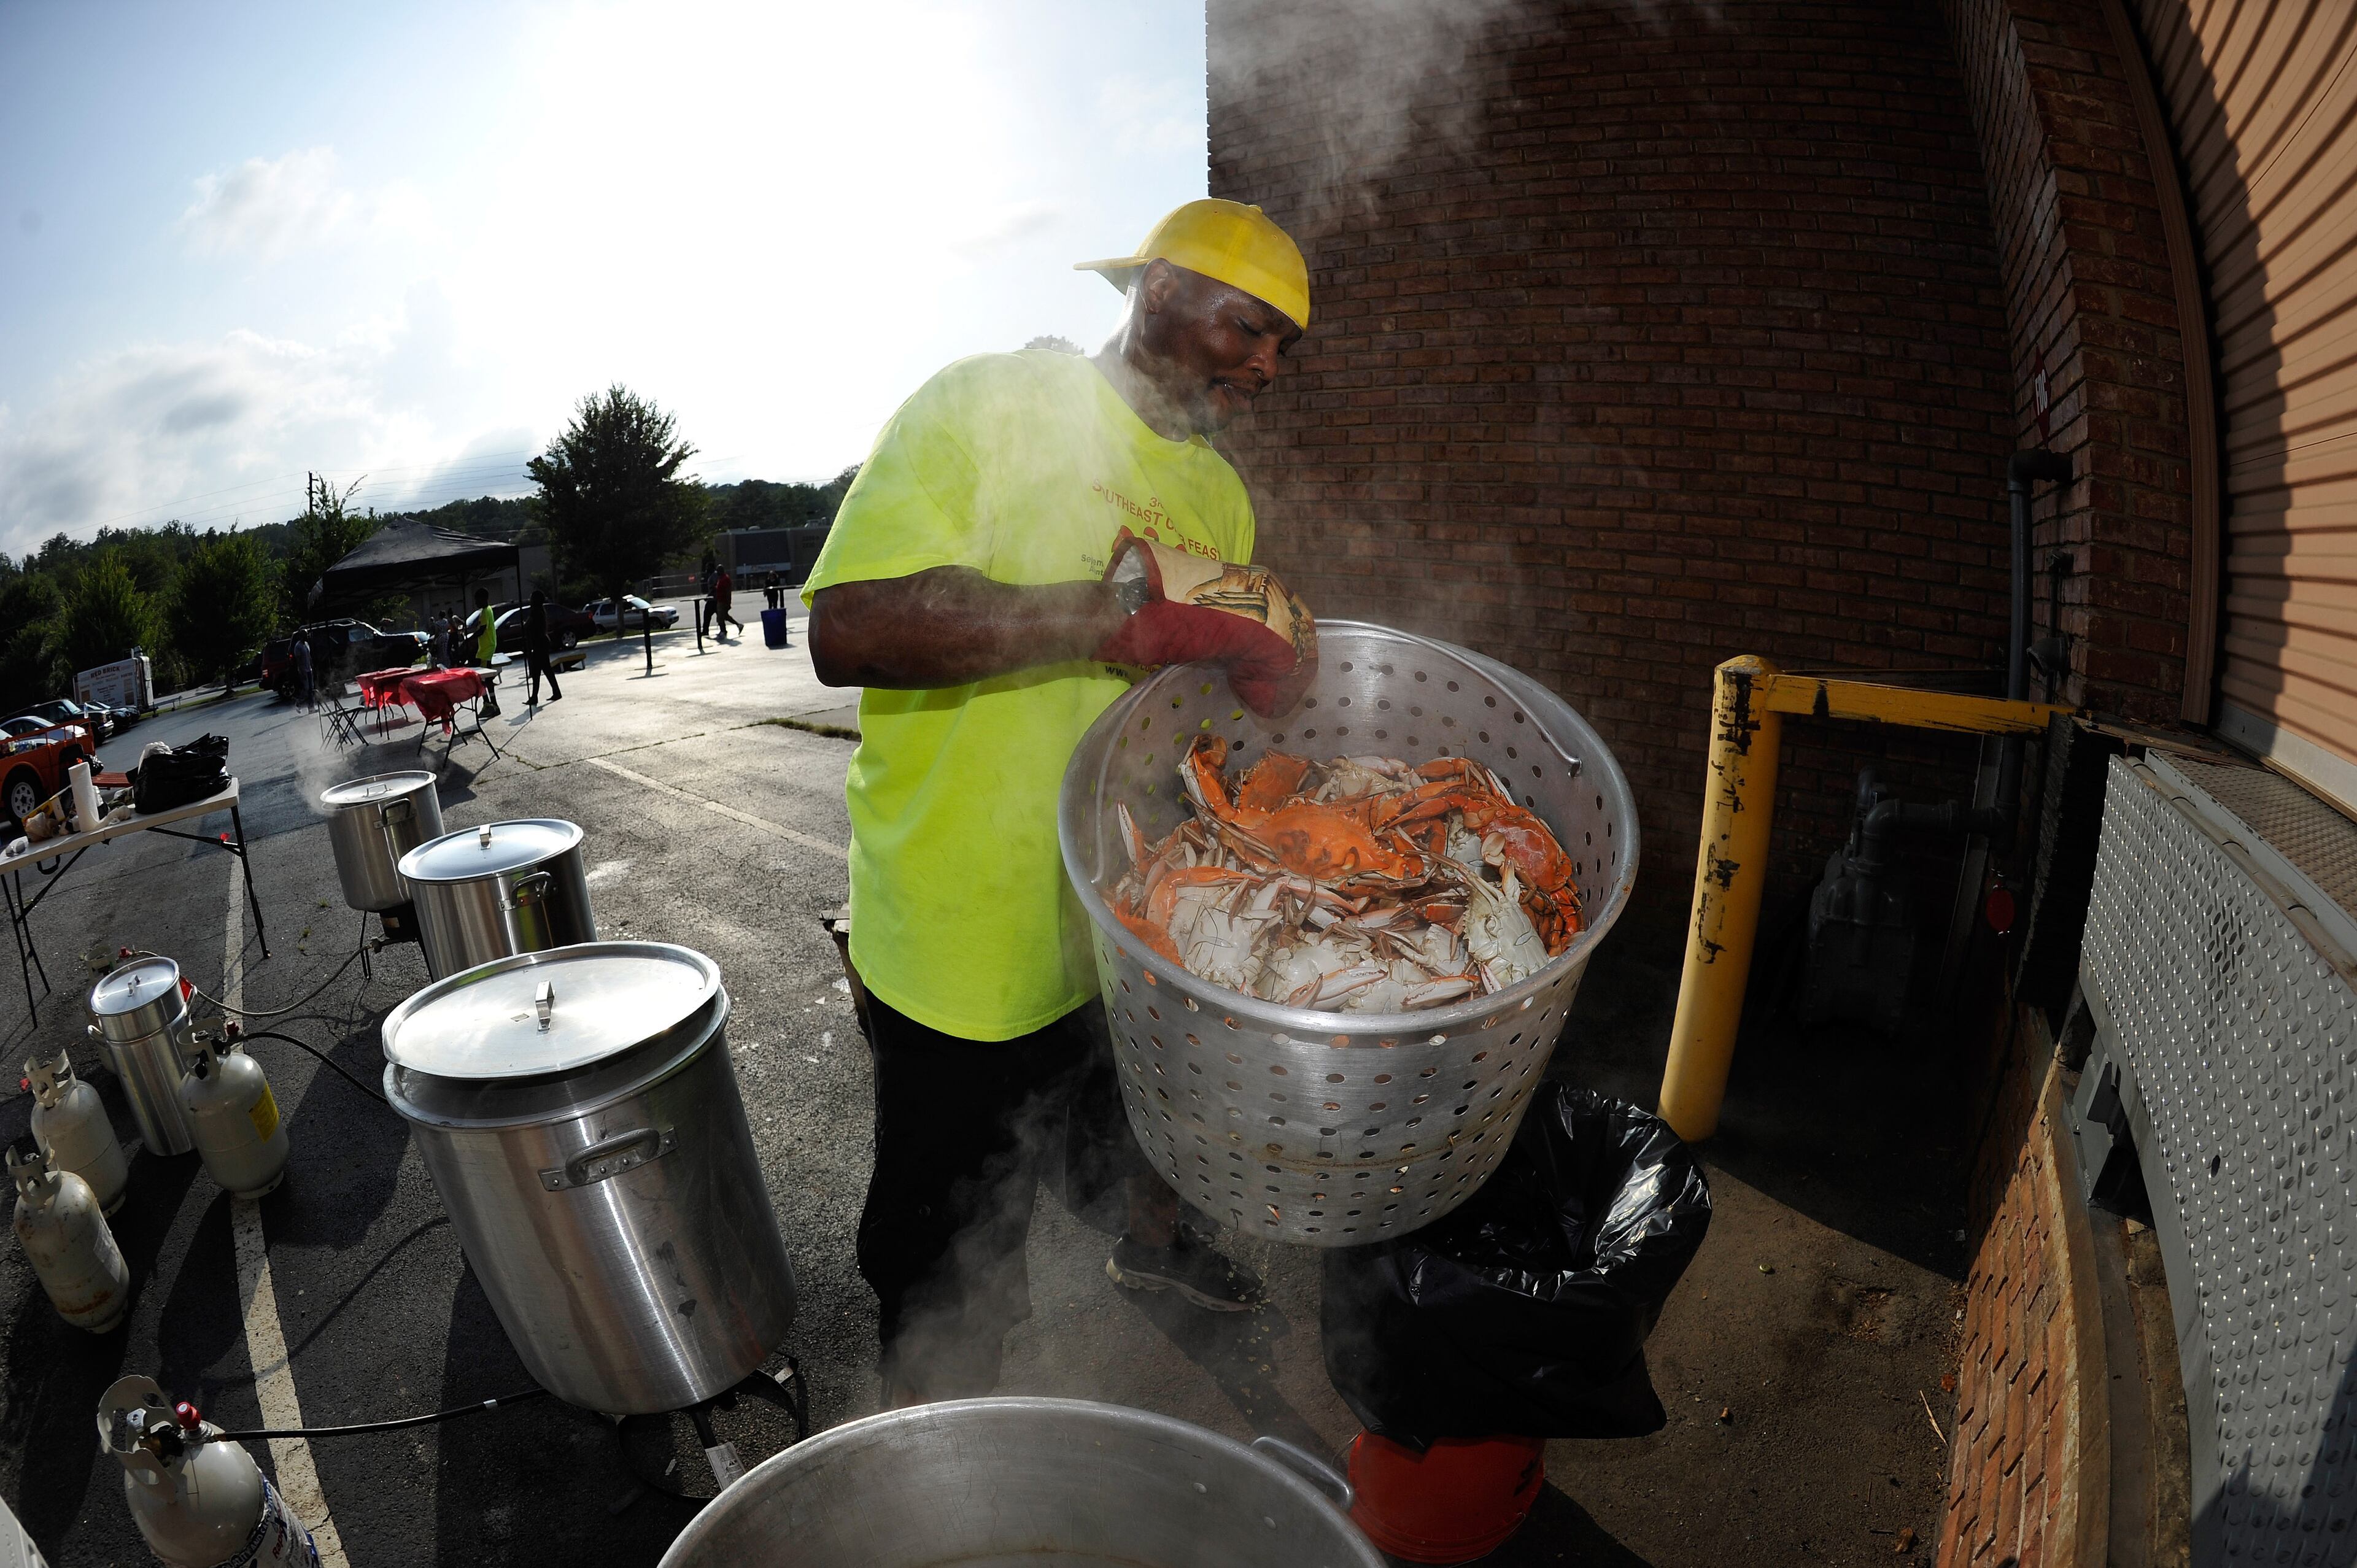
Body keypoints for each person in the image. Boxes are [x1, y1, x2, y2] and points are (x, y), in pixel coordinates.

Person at [805, 198, 1318, 1406]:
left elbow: (1197, 713)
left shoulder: (1220, 495)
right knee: (949, 1268)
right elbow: (848, 625)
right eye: (1251, 328)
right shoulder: (988, 404)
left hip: (1123, 926)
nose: (1267, 365)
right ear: (1159, 297)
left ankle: (1154, 1235)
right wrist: (1102, 615)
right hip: (957, 945)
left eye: (1285, 345)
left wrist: (1260, 712)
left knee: (1135, 1133)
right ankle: (944, 1464)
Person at [524, 589, 562, 705]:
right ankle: (556, 692)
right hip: (541, 643)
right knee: (546, 669)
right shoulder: (538, 611)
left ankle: (535, 697)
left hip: (540, 644)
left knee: (537, 671)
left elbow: (530, 626)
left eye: (531, 598)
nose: (530, 600)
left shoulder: (536, 612)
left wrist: (525, 625)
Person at [471, 590, 501, 716]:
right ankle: (492, 704)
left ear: (483, 598)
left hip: (486, 649)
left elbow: (482, 630)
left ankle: (490, 705)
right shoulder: (487, 610)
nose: (476, 603)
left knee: (482, 680)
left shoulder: (485, 612)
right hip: (485, 648)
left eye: (477, 600)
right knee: (484, 679)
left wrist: (469, 639)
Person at [713, 565, 743, 639]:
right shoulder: (721, 579)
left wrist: (728, 602)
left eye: (718, 571)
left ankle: (723, 631)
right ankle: (738, 625)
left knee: (720, 617)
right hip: (720, 600)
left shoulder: (725, 579)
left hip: (723, 601)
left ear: (721, 571)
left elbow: (727, 591)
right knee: (725, 616)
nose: (717, 572)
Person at [292, 631, 314, 707]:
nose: (307, 636)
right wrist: (301, 671)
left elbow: (309, 656)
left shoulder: (307, 644)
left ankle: (311, 707)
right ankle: (298, 702)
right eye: (306, 635)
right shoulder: (298, 646)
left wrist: (311, 665)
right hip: (303, 670)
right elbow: (298, 660)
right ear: (302, 636)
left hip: (309, 669)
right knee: (306, 688)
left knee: (311, 688)